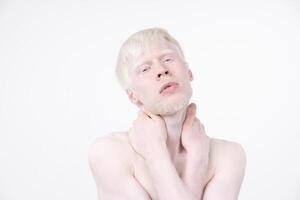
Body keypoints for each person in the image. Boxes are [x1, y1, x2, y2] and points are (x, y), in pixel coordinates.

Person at [88, 28, 247, 200]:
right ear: (132, 95)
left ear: (189, 73)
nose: (161, 70)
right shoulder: (109, 153)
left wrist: (197, 160)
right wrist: (157, 155)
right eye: (144, 69)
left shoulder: (228, 155)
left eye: (168, 59)